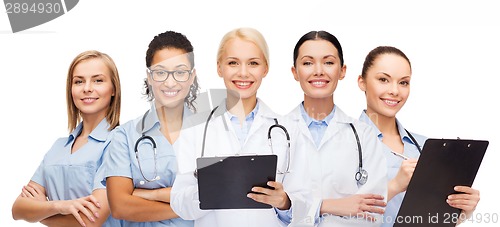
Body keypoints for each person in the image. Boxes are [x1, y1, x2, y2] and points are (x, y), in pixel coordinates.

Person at [171, 27, 310, 227]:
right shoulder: (195, 129)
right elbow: (179, 204)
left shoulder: (289, 130)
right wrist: (207, 190)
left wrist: (285, 202)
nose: (243, 72)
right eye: (233, 63)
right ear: (219, 68)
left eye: (253, 63)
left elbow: (305, 204)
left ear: (265, 69)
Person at [357, 45, 480, 226]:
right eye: (383, 79)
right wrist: (394, 186)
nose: (395, 91)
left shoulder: (425, 147)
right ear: (362, 82)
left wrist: (461, 211)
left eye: (403, 82)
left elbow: (431, 218)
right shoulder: (341, 142)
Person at [286, 31, 388, 226]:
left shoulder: (364, 136)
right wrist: (328, 206)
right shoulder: (274, 133)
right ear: (295, 72)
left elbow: (372, 213)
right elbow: (270, 212)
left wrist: (301, 209)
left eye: (329, 62)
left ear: (342, 71)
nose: (318, 71)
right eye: (307, 63)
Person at [11, 50, 122, 227]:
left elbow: (91, 219)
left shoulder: (119, 143)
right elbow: (17, 209)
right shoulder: (58, 147)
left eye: (98, 80)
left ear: (114, 89)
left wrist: (40, 212)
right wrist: (60, 206)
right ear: (71, 90)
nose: (87, 88)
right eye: (79, 81)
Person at [101, 30, 199, 226]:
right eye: (161, 72)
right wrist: (189, 207)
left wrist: (150, 195)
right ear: (149, 77)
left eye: (180, 72)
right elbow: (120, 207)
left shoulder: (212, 132)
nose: (170, 82)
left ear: (191, 76)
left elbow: (219, 197)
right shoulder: (124, 136)